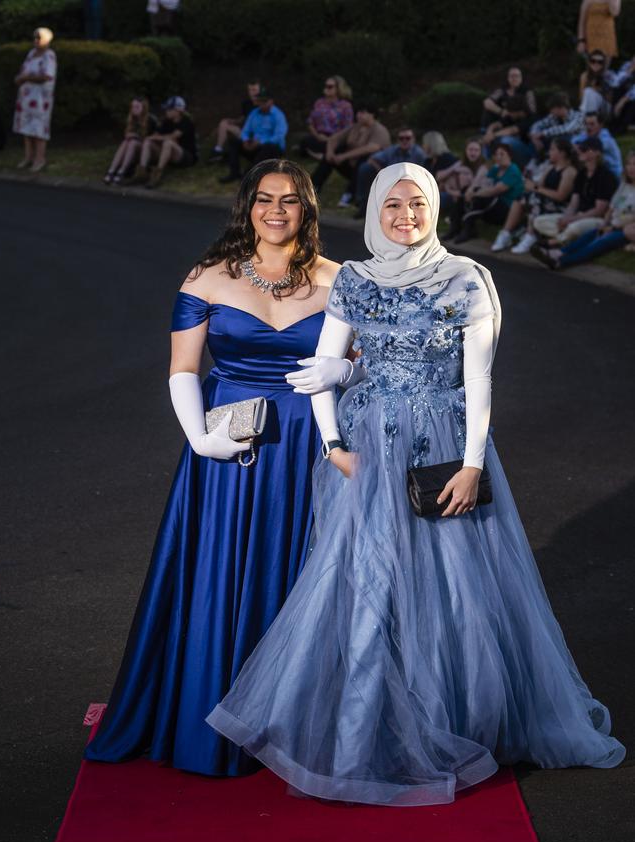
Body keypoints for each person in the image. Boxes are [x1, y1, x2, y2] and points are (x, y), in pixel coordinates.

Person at [207, 162, 624, 806]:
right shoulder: (355, 279)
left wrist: (474, 462)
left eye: (418, 204)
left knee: (457, 583)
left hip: (442, 443)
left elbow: (480, 379)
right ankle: (357, 737)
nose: (405, 217)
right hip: (369, 445)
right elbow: (328, 362)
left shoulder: (466, 279)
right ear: (375, 210)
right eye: (393, 206)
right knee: (368, 578)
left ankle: (463, 721)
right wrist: (334, 444)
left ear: (435, 208)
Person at [84, 160, 357, 777]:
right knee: (220, 571)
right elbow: (183, 370)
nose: (277, 211)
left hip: (310, 444)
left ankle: (298, 726)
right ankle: (213, 719)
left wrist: (347, 371)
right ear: (248, 207)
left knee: (304, 575)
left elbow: (362, 365)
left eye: (290, 201)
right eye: (265, 200)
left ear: (307, 209)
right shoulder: (208, 277)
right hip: (228, 446)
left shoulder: (341, 280)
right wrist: (199, 440)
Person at [531, 149, 635, 268]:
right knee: (591, 234)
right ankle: (559, 252)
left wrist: (613, 227)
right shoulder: (625, 185)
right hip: (612, 223)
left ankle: (562, 261)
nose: (631, 168)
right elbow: (611, 208)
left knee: (601, 242)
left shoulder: (605, 175)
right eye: (629, 164)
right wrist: (606, 224)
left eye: (634, 164)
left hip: (625, 229)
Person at [531, 136, 618, 245]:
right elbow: (573, 203)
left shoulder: (606, 176)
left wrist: (573, 219)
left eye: (585, 149)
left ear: (596, 153)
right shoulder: (581, 174)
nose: (580, 152)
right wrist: (566, 218)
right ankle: (569, 238)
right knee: (539, 221)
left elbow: (599, 210)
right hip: (578, 215)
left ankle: (554, 242)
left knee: (574, 228)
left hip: (596, 218)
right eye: (580, 149)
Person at [447, 143, 525, 249]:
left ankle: (468, 228)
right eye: (496, 155)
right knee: (467, 191)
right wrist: (471, 190)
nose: (499, 157)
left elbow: (495, 190)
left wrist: (474, 193)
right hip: (493, 205)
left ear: (510, 155)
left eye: (502, 154)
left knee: (478, 197)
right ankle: (455, 227)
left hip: (506, 209)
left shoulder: (513, 170)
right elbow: (482, 182)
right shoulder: (496, 169)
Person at [311, 105, 391, 206]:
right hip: (350, 165)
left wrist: (344, 156)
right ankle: (313, 187)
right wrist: (330, 153)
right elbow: (334, 139)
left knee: (365, 158)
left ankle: (349, 194)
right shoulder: (355, 127)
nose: (359, 115)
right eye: (358, 112)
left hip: (371, 170)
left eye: (363, 112)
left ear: (372, 115)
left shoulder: (379, 130)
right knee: (333, 154)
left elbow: (371, 148)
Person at [510, 137, 578, 254]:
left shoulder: (569, 171)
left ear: (561, 153)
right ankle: (508, 232)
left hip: (561, 207)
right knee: (524, 196)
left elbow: (560, 196)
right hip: (545, 201)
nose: (549, 152)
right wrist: (531, 185)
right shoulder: (551, 168)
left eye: (552, 149)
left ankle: (530, 235)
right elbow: (539, 186)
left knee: (534, 199)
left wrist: (536, 188)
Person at [353, 128, 426, 219]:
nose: (404, 141)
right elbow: (372, 159)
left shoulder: (419, 154)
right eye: (401, 138)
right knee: (365, 168)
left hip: (410, 183)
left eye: (407, 138)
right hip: (389, 180)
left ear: (413, 139)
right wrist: (381, 172)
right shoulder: (392, 150)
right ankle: (363, 204)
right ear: (397, 140)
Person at [12, 27, 57, 172]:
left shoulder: (49, 56)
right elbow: (23, 70)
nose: (36, 41)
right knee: (27, 129)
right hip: (26, 97)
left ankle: (40, 158)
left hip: (40, 99)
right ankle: (28, 157)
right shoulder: (31, 54)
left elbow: (47, 76)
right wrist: (20, 78)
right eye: (35, 38)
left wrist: (27, 78)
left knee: (38, 130)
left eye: (39, 38)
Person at [129, 96, 197, 189]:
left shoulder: (186, 121)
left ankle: (157, 174)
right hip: (169, 154)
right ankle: (142, 172)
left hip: (186, 156)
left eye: (169, 109)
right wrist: (152, 137)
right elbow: (156, 134)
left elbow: (173, 137)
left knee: (168, 142)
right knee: (148, 141)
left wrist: (156, 137)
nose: (166, 111)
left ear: (177, 110)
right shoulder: (167, 121)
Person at [221, 88, 288, 183]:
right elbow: (245, 130)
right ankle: (234, 173)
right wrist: (245, 140)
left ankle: (249, 175)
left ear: (271, 101)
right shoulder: (254, 113)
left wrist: (260, 142)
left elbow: (279, 136)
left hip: (272, 149)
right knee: (233, 142)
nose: (262, 103)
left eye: (265, 101)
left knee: (269, 147)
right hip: (255, 146)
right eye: (260, 101)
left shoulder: (278, 115)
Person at [480, 67, 537, 166]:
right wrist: (489, 132)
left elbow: (512, 130)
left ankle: (506, 166)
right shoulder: (503, 91)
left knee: (505, 141)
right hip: (509, 138)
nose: (514, 78)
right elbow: (497, 123)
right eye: (512, 76)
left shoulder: (529, 117)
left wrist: (492, 135)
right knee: (488, 140)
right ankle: (485, 166)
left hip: (527, 149)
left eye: (517, 76)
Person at [103, 97, 157, 185]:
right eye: (133, 107)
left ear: (143, 108)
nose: (134, 109)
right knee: (126, 142)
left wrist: (137, 136)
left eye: (137, 107)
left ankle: (122, 171)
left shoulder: (151, 119)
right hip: (133, 145)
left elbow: (153, 138)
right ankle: (112, 170)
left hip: (146, 148)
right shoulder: (132, 118)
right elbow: (127, 134)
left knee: (132, 142)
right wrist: (130, 135)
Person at [438, 137, 488, 231]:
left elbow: (472, 189)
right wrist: (453, 169)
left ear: (480, 152)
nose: (473, 153)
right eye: (470, 150)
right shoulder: (461, 163)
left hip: (475, 199)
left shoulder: (483, 167)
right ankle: (452, 222)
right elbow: (439, 177)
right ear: (465, 151)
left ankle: (455, 221)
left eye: (476, 150)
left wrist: (451, 190)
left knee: (464, 174)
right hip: (457, 194)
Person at [299, 75, 353, 160]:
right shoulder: (319, 102)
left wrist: (331, 139)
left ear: (338, 88)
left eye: (330, 86)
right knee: (305, 141)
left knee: (340, 147)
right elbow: (310, 122)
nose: (327, 88)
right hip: (319, 135)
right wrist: (317, 135)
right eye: (326, 86)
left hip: (336, 137)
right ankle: (319, 155)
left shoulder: (345, 106)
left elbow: (347, 128)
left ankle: (320, 155)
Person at [208, 80, 261, 164]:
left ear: (260, 90)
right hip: (245, 132)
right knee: (223, 123)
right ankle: (218, 151)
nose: (251, 92)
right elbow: (243, 118)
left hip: (257, 135)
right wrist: (233, 121)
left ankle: (226, 156)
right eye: (250, 90)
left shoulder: (263, 104)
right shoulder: (246, 103)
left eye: (254, 90)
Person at [529, 93, 584, 157]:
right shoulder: (553, 117)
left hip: (575, 144)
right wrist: (534, 136)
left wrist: (543, 133)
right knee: (535, 142)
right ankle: (538, 160)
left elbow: (567, 129)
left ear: (560, 108)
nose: (551, 112)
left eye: (552, 109)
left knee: (563, 138)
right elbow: (538, 124)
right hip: (556, 143)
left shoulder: (578, 116)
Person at [572, 111, 623, 179]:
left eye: (592, 124)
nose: (588, 127)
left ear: (601, 125)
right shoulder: (587, 135)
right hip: (597, 173)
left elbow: (591, 148)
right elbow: (572, 142)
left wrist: (577, 148)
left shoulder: (607, 140)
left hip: (612, 175)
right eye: (586, 124)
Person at [577, 0, 621, 66]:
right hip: (591, 38)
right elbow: (582, 21)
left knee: (604, 67)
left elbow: (615, 13)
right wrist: (581, 40)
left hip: (607, 38)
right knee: (591, 67)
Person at [578, 50, 613, 116]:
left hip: (605, 107)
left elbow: (611, 99)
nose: (596, 64)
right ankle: (587, 117)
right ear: (589, 62)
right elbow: (581, 98)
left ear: (603, 64)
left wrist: (598, 90)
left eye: (600, 62)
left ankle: (584, 117)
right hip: (588, 106)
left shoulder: (608, 75)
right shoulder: (585, 76)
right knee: (588, 92)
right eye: (593, 61)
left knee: (589, 92)